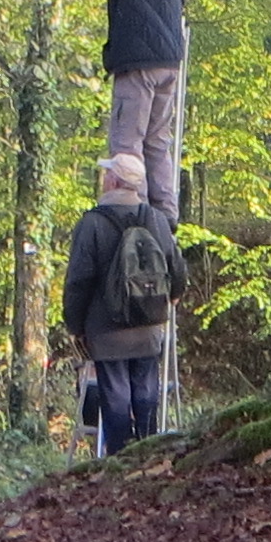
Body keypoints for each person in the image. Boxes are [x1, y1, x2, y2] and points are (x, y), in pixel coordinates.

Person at [74, 0, 185, 217]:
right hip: (168, 64)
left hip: (138, 65)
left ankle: (133, 210)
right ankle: (165, 214)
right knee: (157, 143)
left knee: (127, 142)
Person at [62, 151, 177, 454]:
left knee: (115, 396)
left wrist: (74, 325)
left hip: (106, 329)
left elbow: (78, 281)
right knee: (147, 392)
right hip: (148, 324)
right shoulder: (156, 219)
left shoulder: (91, 223)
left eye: (107, 173)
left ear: (113, 180)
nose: (104, 178)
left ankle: (119, 457)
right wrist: (169, 300)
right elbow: (176, 268)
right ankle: (149, 453)